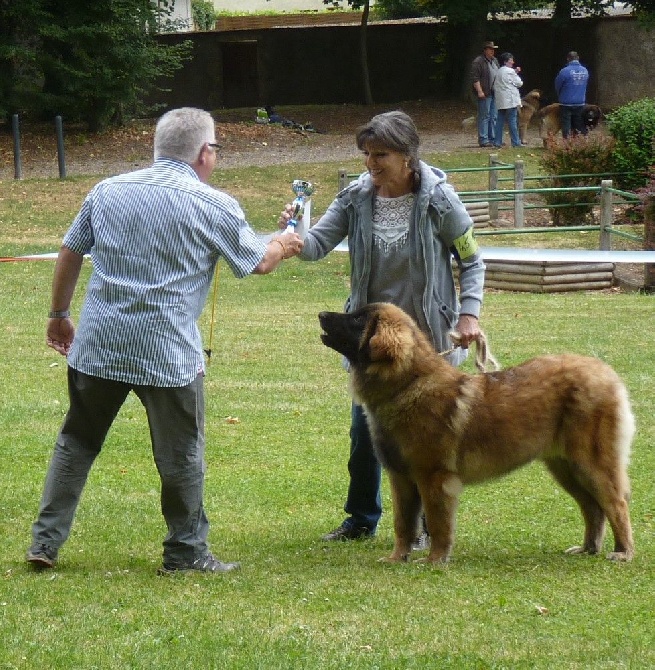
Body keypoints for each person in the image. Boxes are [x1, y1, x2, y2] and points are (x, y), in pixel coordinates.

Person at [26, 107, 304, 575]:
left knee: (76, 441)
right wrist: (284, 240)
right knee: (181, 454)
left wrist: (58, 316)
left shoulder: (107, 191)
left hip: (99, 345)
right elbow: (257, 262)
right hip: (168, 354)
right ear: (203, 152)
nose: (215, 156)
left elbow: (71, 249)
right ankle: (186, 552)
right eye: (215, 147)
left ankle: (44, 544)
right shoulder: (214, 204)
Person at [280, 111, 485, 545]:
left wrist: (469, 314)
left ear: (408, 156)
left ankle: (431, 526)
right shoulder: (356, 198)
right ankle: (360, 518)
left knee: (428, 439)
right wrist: (296, 224)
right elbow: (314, 247)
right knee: (365, 433)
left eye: (381, 155)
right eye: (366, 154)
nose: (371, 164)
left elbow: (472, 259)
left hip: (428, 341)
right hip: (371, 343)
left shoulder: (440, 200)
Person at [493, 52, 526, 148]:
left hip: (501, 99)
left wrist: (514, 72)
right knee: (512, 120)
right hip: (510, 99)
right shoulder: (510, 71)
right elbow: (519, 83)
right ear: (506, 61)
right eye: (511, 60)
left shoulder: (499, 71)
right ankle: (516, 142)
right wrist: (515, 73)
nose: (512, 62)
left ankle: (497, 142)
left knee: (500, 120)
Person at [471, 41, 500, 148]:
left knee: (494, 116)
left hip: (494, 92)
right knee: (484, 116)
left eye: (493, 49)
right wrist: (479, 91)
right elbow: (475, 78)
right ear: (485, 50)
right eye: (490, 49)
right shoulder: (478, 62)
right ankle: (483, 139)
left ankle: (492, 138)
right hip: (485, 92)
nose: (492, 51)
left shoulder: (495, 61)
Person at [555, 51, 590, 139]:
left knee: (566, 124)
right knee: (579, 124)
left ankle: (567, 143)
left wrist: (560, 94)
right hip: (580, 102)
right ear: (578, 58)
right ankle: (578, 143)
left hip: (566, 102)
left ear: (568, 59)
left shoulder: (564, 71)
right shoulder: (585, 71)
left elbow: (557, 85)